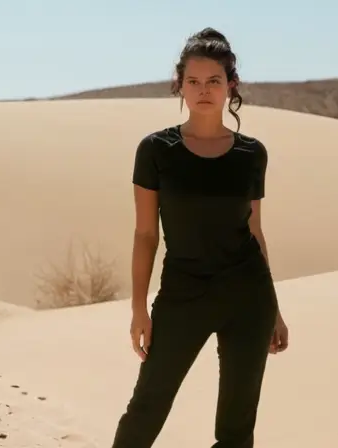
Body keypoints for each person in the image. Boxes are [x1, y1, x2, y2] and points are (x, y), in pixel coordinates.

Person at [110, 27, 289, 448]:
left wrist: (274, 310)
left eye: (214, 81)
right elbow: (144, 234)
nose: (203, 90)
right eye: (193, 81)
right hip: (183, 295)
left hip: (248, 297)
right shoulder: (156, 150)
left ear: (231, 85)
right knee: (146, 409)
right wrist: (139, 309)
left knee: (236, 429)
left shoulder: (252, 154)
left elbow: (254, 230)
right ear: (180, 85)